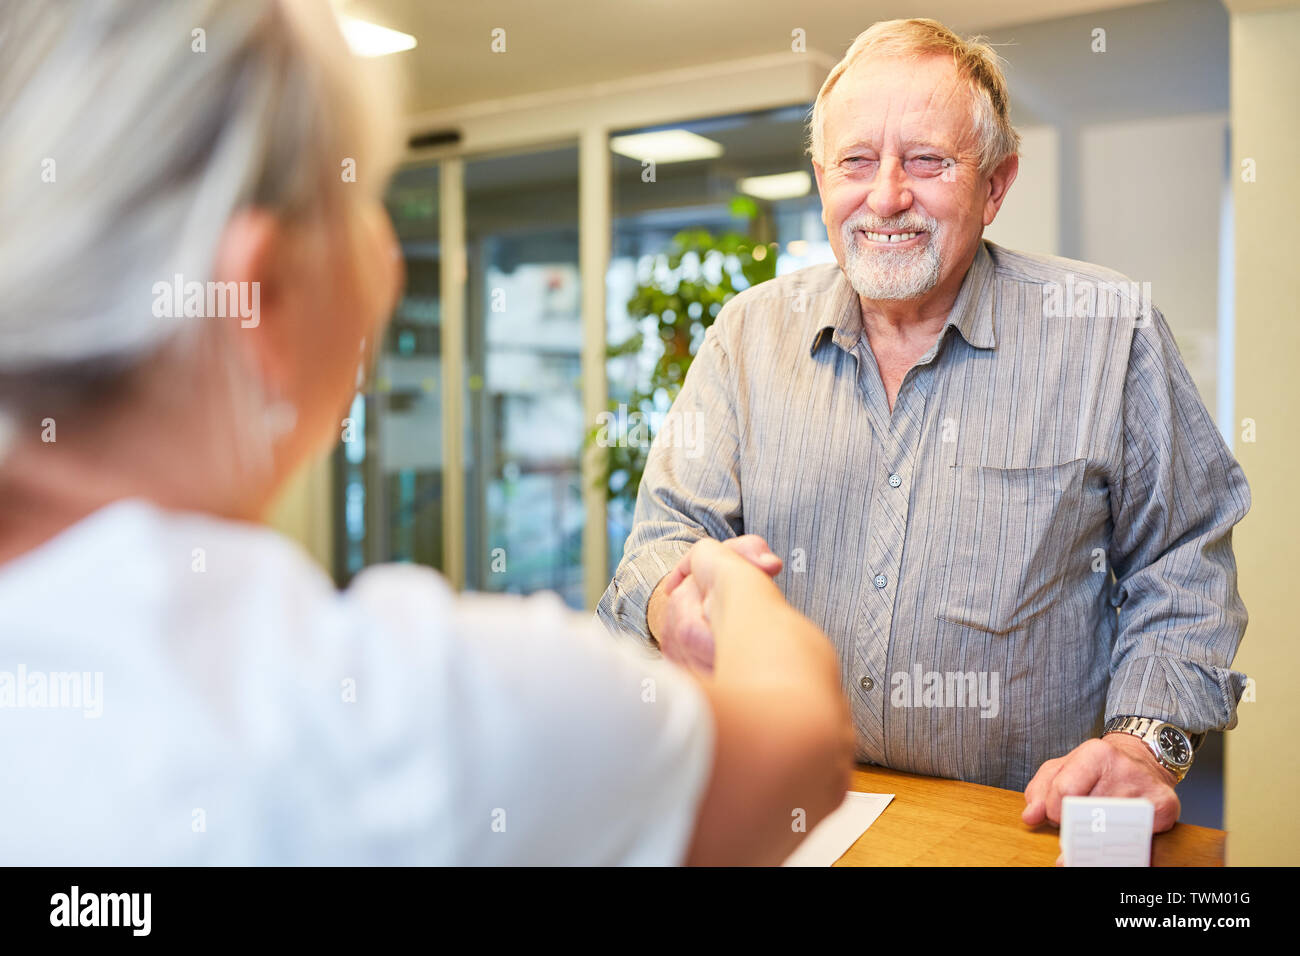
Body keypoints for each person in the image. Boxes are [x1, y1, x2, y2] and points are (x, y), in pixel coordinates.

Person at [0, 0, 852, 865]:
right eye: (359, 195)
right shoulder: (422, 713)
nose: (391, 257)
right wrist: (723, 577)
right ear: (257, 295)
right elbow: (802, 751)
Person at [598, 18, 1251, 833]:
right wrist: (670, 603)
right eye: (856, 162)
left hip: (1015, 828)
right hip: (794, 821)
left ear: (997, 184)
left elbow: (1183, 560)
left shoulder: (1110, 331)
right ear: (821, 177)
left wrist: (1144, 746)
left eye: (928, 161)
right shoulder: (745, 335)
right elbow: (663, 539)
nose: (886, 197)